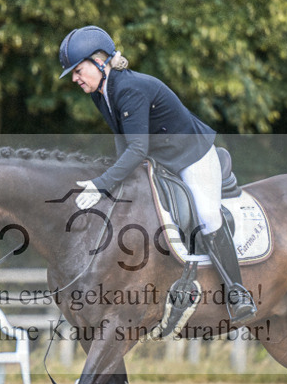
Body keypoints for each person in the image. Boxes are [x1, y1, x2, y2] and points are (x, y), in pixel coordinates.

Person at [58, 25, 257, 323]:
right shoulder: (102, 93)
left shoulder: (129, 89)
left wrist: (102, 184)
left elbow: (137, 149)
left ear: (100, 61)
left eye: (78, 70)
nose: (74, 78)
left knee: (206, 214)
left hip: (193, 156)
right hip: (162, 160)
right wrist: (115, 175)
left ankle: (237, 291)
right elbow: (123, 140)